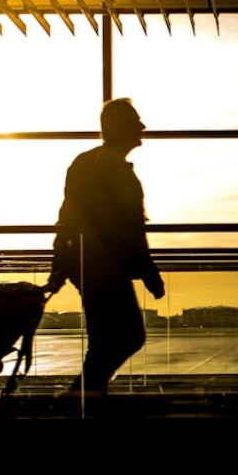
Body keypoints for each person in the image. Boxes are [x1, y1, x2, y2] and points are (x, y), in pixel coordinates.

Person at [46, 98, 165, 395]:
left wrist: (60, 266)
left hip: (92, 264)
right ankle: (83, 395)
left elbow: (69, 217)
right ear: (120, 127)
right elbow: (128, 229)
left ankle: (87, 395)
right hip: (103, 266)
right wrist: (149, 272)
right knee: (128, 335)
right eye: (136, 121)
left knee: (109, 338)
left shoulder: (90, 163)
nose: (142, 126)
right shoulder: (109, 168)